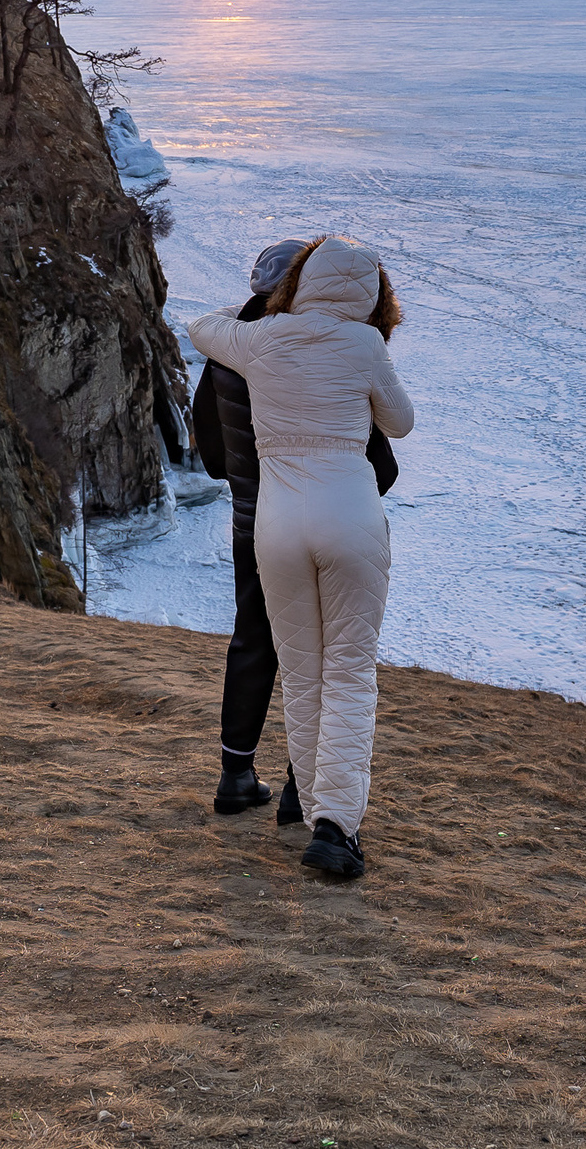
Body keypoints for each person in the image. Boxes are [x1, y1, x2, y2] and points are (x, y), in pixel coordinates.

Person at [189, 236, 413, 879]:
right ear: (374, 294)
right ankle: (334, 826)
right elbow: (400, 424)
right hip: (349, 515)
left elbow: (200, 326)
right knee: (348, 672)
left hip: (274, 525)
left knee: (301, 671)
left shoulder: (259, 341)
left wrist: (261, 315)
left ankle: (312, 807)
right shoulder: (365, 345)